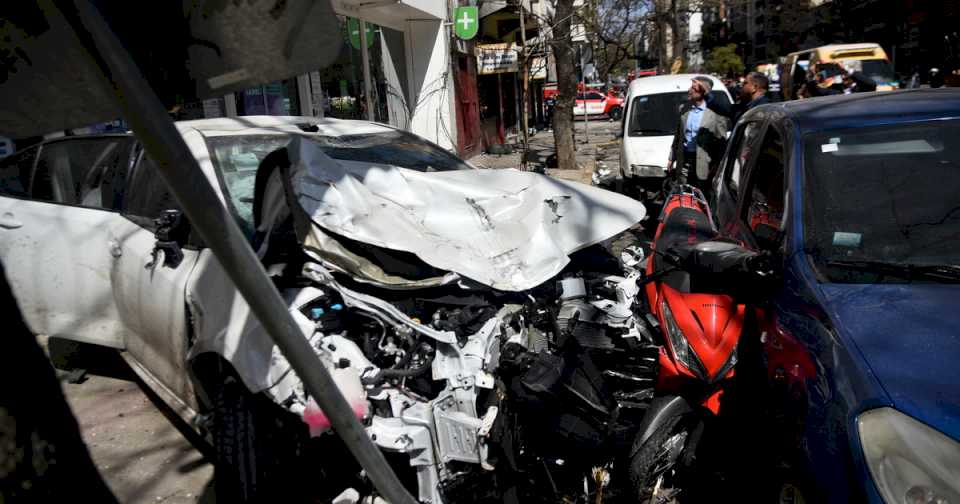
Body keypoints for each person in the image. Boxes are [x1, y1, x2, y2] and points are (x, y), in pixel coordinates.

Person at [667, 76, 730, 193]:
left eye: (693, 88)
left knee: (702, 195)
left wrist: (718, 166)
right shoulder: (684, 108)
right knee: (685, 193)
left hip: (704, 164)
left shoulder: (716, 114)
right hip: (684, 161)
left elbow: (721, 142)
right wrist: (672, 157)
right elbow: (678, 136)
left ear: (703, 91)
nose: (689, 91)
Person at [696, 71, 770, 126]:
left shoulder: (765, 111)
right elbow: (725, 108)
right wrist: (706, 93)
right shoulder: (744, 107)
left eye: (745, 83)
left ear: (754, 87)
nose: (741, 86)